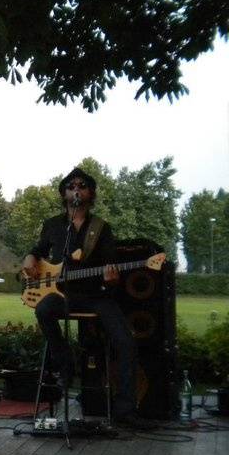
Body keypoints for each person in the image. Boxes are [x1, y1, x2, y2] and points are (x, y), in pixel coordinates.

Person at [22, 167, 148, 428]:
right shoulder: (53, 225)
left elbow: (111, 264)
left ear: (90, 193)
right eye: (70, 186)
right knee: (43, 310)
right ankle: (64, 360)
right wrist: (30, 259)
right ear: (64, 193)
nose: (76, 189)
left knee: (125, 342)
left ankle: (125, 409)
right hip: (60, 294)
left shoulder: (101, 228)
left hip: (94, 295)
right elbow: (37, 251)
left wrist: (111, 276)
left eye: (81, 185)